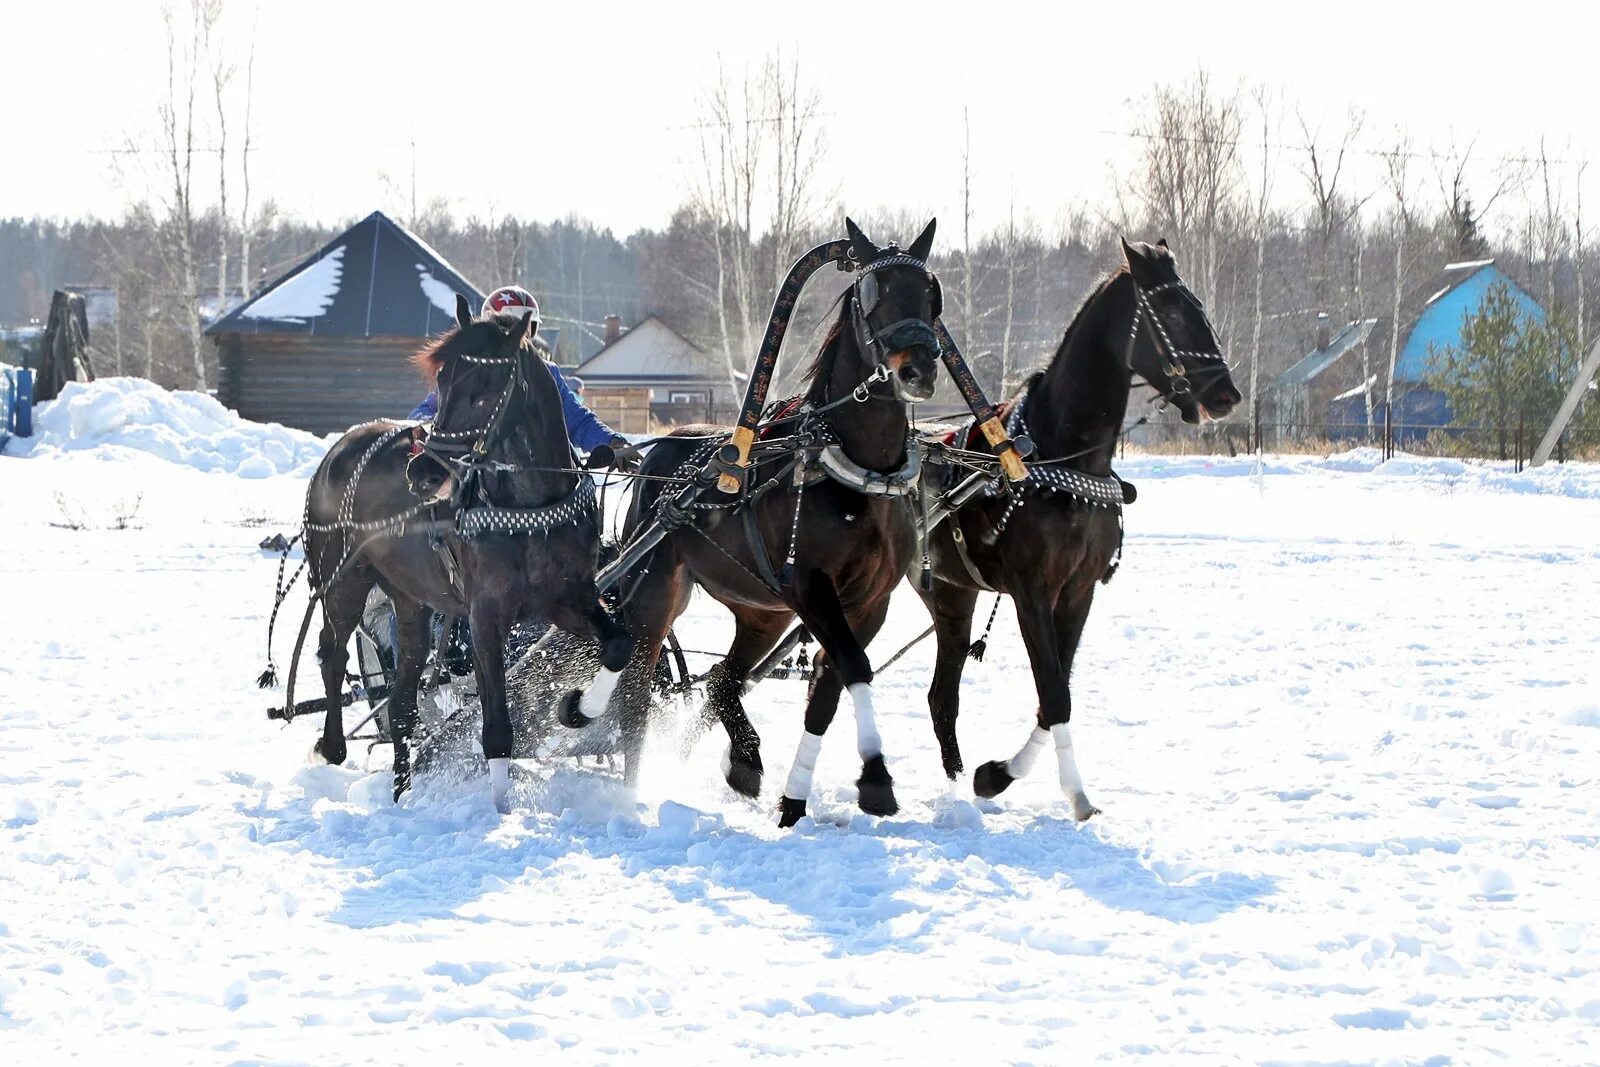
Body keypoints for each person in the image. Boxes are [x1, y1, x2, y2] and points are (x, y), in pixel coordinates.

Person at [411, 284, 640, 470]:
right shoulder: (472, 371)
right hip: (486, 478)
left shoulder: (547, 373)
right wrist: (420, 426)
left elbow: (577, 420)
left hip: (546, 476)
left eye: (523, 328)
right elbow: (432, 409)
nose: (516, 338)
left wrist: (613, 442)